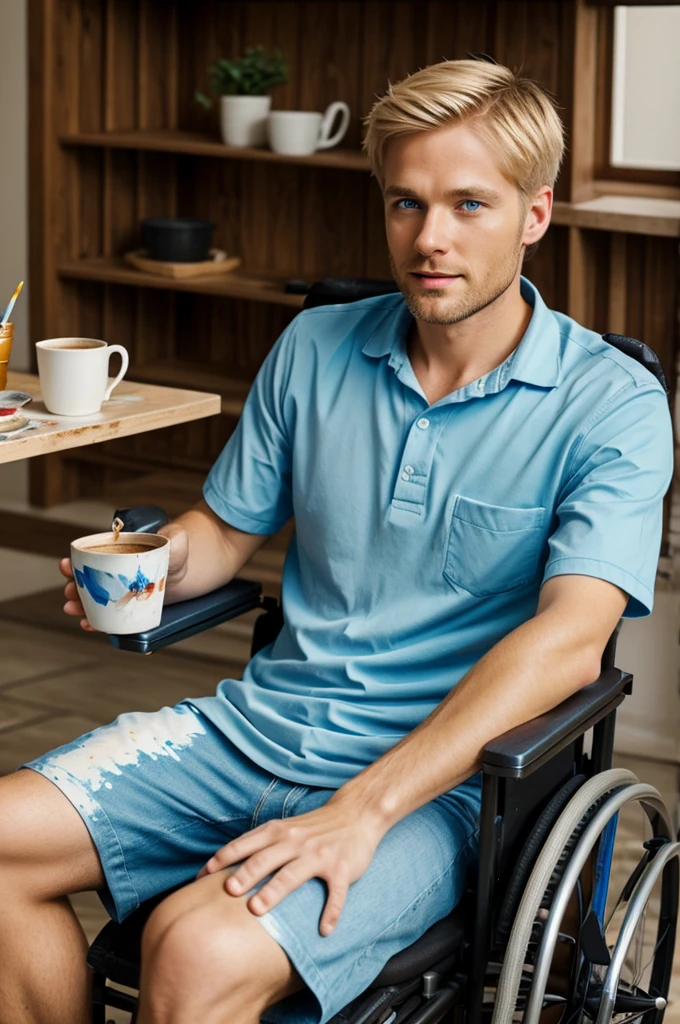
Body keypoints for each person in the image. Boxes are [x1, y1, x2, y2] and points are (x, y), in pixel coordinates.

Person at [0, 58, 672, 1024]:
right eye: (406, 203)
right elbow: (226, 533)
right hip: (256, 730)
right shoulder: (316, 349)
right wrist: (161, 562)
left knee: (189, 948)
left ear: (536, 214)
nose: (429, 239)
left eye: (470, 205)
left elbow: (570, 639)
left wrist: (366, 807)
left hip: (439, 792)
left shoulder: (611, 403)